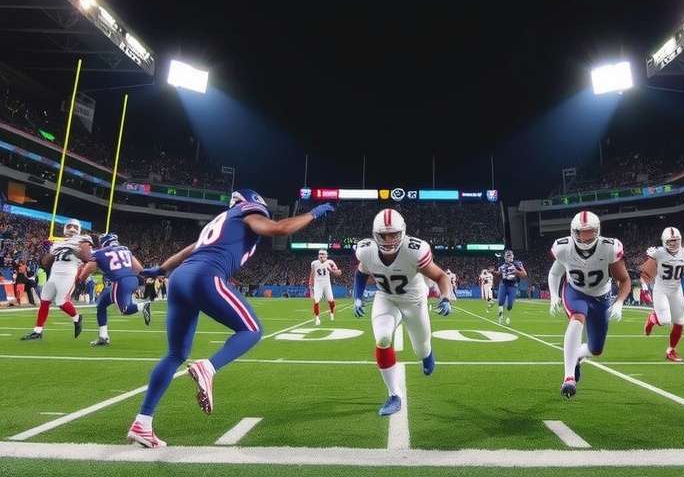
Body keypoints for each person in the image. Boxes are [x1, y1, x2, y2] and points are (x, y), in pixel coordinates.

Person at [126, 190, 334, 448]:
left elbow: (184, 253)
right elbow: (279, 229)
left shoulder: (220, 221)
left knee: (175, 354)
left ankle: (142, 422)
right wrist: (313, 214)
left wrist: (159, 270)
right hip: (206, 276)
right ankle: (209, 367)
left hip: (180, 278)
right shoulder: (247, 212)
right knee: (252, 330)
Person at [352, 209, 452, 416]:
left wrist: (445, 297)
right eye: (383, 235)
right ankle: (393, 395)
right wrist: (358, 297)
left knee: (421, 347)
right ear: (374, 234)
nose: (388, 240)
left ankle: (426, 355)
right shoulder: (366, 250)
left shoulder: (415, 250)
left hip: (414, 301)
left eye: (393, 234)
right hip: (386, 298)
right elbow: (361, 274)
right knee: (382, 338)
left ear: (403, 232)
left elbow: (441, 276)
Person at [548, 210, 631, 399]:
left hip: (601, 296)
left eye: (590, 232)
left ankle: (577, 356)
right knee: (577, 318)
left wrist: (619, 302)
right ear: (573, 232)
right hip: (575, 291)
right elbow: (555, 273)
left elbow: (624, 280)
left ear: (598, 231)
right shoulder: (563, 247)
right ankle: (569, 378)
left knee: (596, 349)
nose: (585, 237)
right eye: (581, 232)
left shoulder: (609, 247)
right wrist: (554, 295)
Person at [76, 233, 151, 347]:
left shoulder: (100, 253)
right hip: (132, 280)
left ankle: (142, 306)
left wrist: (81, 278)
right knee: (101, 304)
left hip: (120, 282)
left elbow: (89, 268)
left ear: (104, 242)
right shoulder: (126, 250)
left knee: (124, 310)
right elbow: (139, 269)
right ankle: (103, 337)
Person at [21, 220, 92, 340]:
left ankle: (77, 317)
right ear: (65, 228)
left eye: (75, 226)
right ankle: (38, 331)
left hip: (68, 274)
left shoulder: (82, 240)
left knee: (61, 302)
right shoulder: (58, 243)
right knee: (45, 300)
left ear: (79, 229)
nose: (72, 228)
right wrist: (51, 254)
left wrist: (74, 248)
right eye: (69, 226)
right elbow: (45, 264)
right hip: (54, 274)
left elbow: (87, 257)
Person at [640, 228, 684, 362]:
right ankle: (652, 318)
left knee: (679, 322)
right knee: (665, 320)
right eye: (670, 241)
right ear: (664, 242)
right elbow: (645, 274)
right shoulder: (658, 253)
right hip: (661, 289)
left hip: (676, 289)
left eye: (676, 240)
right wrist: (644, 289)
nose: (673, 243)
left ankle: (671, 350)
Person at [308, 249, 341, 325]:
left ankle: (332, 313)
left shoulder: (330, 262)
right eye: (320, 254)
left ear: (326, 255)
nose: (321, 255)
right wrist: (310, 283)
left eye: (323, 254)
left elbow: (338, 273)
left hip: (326, 283)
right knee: (316, 300)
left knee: (331, 300)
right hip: (318, 284)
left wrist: (333, 271)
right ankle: (317, 318)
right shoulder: (314, 263)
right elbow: (312, 273)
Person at [493, 250, 526, 325]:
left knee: (510, 305)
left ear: (513, 256)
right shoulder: (502, 264)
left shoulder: (517, 263)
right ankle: (500, 317)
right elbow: (498, 273)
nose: (509, 257)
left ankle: (507, 314)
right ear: (505, 257)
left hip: (513, 286)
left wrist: (516, 272)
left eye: (510, 255)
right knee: (500, 302)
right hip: (503, 285)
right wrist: (492, 272)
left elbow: (524, 274)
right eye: (507, 256)